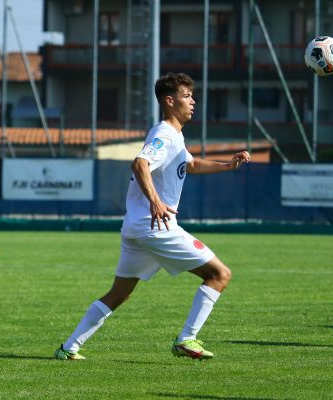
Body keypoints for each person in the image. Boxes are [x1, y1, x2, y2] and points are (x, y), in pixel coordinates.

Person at [54, 73, 250, 360]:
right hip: (156, 227)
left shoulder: (175, 136)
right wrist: (156, 201)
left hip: (137, 228)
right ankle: (187, 339)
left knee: (119, 294)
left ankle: (69, 347)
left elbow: (191, 165)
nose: (193, 101)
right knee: (220, 274)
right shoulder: (163, 134)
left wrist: (227, 165)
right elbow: (140, 163)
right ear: (169, 101)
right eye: (186, 96)